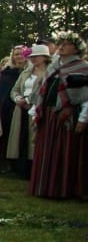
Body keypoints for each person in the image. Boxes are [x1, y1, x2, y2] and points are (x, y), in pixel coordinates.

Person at [29, 31, 88, 199]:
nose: (61, 46)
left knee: (66, 152)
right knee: (47, 150)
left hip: (68, 114)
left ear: (76, 48)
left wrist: (84, 118)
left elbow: (86, 96)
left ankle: (65, 190)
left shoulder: (82, 67)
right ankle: (45, 188)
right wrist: (36, 113)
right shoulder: (53, 66)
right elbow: (43, 91)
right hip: (49, 115)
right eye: (60, 43)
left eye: (67, 44)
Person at [5, 45, 51, 179]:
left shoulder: (50, 72)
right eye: (32, 57)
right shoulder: (26, 72)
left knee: (35, 138)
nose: (34, 59)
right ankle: (21, 168)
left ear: (45, 57)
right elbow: (15, 90)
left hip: (38, 108)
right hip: (21, 109)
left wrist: (32, 101)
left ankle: (36, 168)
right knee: (21, 137)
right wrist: (18, 99)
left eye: (37, 56)